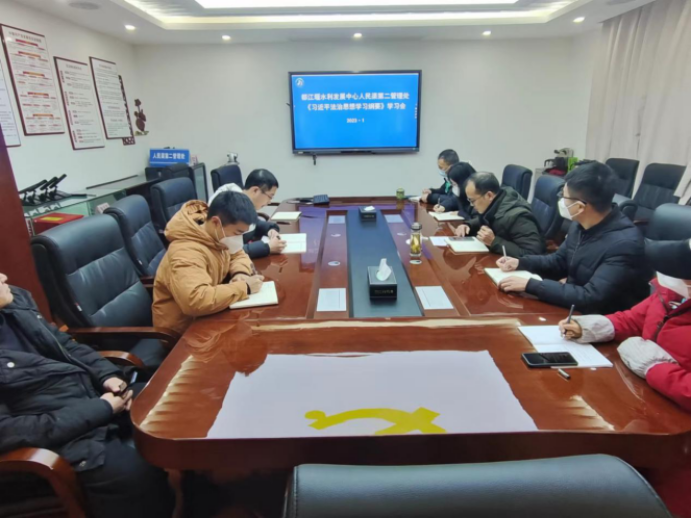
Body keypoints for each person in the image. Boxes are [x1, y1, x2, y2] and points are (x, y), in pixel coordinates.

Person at [0, 274, 175, 518]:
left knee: (169, 402)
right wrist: (102, 408)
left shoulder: (16, 301)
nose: (4, 276)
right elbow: (9, 431)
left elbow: (67, 346)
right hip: (56, 437)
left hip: (89, 395)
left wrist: (107, 376)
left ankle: (201, 488)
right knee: (133, 474)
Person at [559, 238, 691, 518]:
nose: (669, 279)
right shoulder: (670, 293)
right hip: (647, 406)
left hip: (681, 442)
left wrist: (655, 367)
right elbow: (634, 319)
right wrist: (597, 326)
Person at [496, 161, 650, 315]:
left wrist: (531, 285)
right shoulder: (581, 223)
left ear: (580, 207)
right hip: (573, 308)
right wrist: (521, 262)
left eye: (564, 197)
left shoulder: (625, 244)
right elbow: (559, 261)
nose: (560, 201)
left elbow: (591, 296)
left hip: (601, 319)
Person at [153, 191, 264, 334]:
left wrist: (240, 273)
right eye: (237, 233)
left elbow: (237, 253)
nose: (239, 240)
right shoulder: (186, 252)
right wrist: (244, 287)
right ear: (216, 222)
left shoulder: (216, 234)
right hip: (183, 332)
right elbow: (195, 301)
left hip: (210, 316)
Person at [454, 172, 545, 257]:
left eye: (473, 200)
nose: (471, 205)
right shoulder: (498, 199)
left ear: (489, 195)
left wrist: (494, 241)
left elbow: (533, 253)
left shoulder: (518, 217)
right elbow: (487, 218)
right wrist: (468, 225)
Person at [209, 169, 286, 259]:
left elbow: (253, 223)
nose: (269, 202)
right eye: (270, 196)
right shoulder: (230, 205)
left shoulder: (242, 200)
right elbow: (230, 252)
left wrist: (270, 229)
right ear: (255, 190)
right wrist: (267, 247)